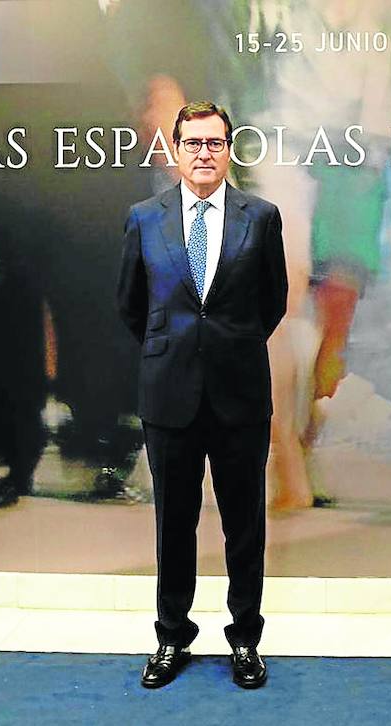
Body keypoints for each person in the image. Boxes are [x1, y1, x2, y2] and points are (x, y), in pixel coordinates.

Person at [117, 101, 288, 690]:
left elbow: (273, 303)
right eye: (194, 143)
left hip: (240, 394)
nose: (204, 154)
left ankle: (245, 639)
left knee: (244, 525)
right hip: (169, 395)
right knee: (174, 523)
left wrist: (227, 348)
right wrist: (179, 351)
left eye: (215, 143)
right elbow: (132, 307)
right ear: (175, 150)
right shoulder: (144, 217)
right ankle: (171, 636)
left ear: (229, 149)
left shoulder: (260, 217)